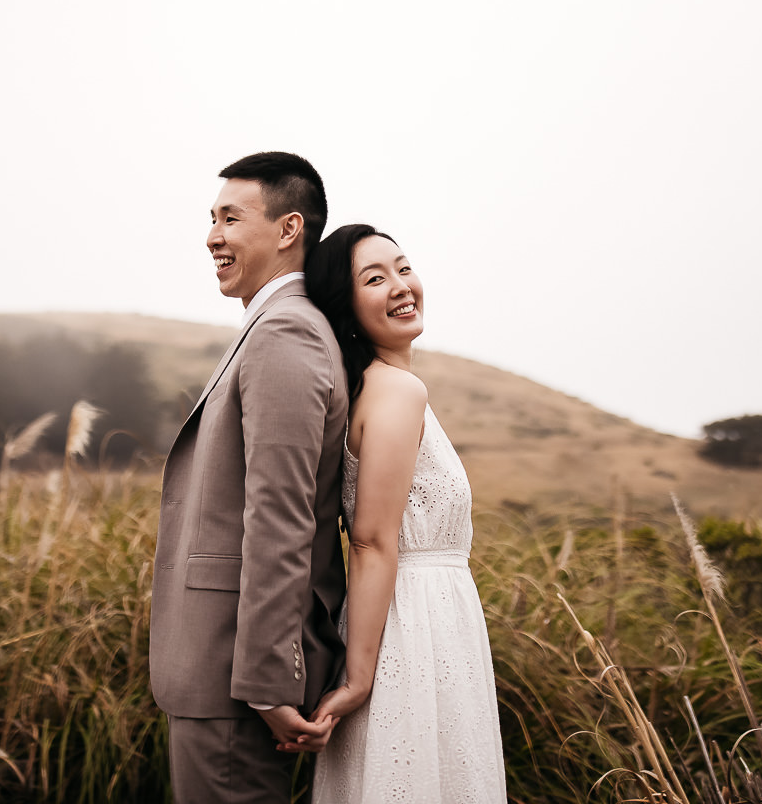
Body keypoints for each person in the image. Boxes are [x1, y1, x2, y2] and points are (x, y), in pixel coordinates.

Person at [150, 152, 351, 803]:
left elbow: (281, 515)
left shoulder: (286, 330)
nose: (212, 236)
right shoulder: (271, 325)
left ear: (289, 229)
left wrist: (267, 683)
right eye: (211, 219)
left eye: (230, 218)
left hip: (235, 678)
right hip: (220, 668)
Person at [303, 224, 508, 803]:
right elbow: (371, 541)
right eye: (374, 279)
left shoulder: (380, 387)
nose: (400, 285)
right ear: (346, 308)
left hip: (427, 624)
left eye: (403, 267)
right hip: (411, 630)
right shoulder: (395, 391)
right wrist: (359, 679)